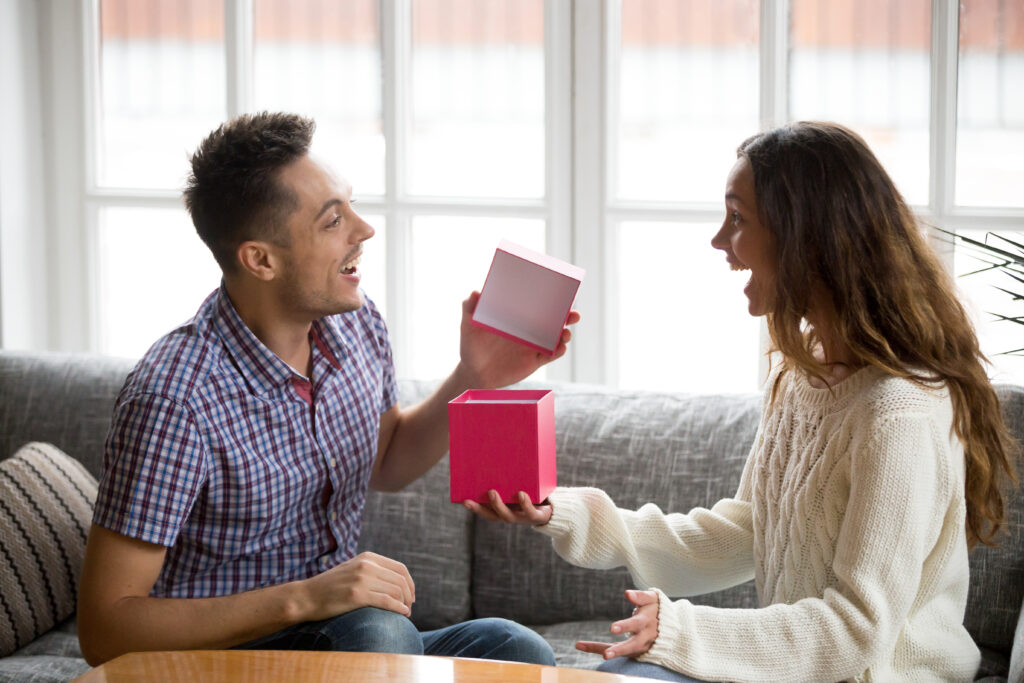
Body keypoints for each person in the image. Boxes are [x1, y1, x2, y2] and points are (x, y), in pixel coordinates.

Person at [466, 121, 1018, 682]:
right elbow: (744, 532)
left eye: (738, 219)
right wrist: (566, 512)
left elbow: (857, 629)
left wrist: (681, 632)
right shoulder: (803, 380)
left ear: (806, 236)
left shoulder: (899, 413)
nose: (718, 241)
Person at [77, 111, 576, 667]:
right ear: (260, 259)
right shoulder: (175, 399)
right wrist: (308, 597)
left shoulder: (356, 326)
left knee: (515, 648)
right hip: (215, 657)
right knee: (380, 634)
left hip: (338, 640)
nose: (364, 230)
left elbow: (386, 460)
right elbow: (104, 628)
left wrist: (473, 377)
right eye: (333, 221)